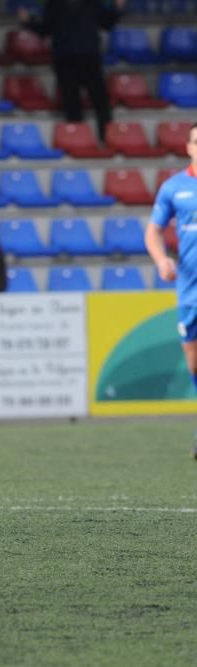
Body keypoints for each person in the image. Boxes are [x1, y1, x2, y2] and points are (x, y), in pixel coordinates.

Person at [145, 121, 197, 458]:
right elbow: (153, 232)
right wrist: (162, 260)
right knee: (193, 362)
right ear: (189, 147)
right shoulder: (173, 187)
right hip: (189, 290)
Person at [18, 0, 126, 142]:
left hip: (89, 56)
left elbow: (106, 23)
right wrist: (29, 21)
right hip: (64, 59)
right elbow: (45, 29)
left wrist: (117, 8)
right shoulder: (54, 4)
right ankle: (78, 140)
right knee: (71, 103)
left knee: (101, 102)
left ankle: (107, 140)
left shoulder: (93, 3)